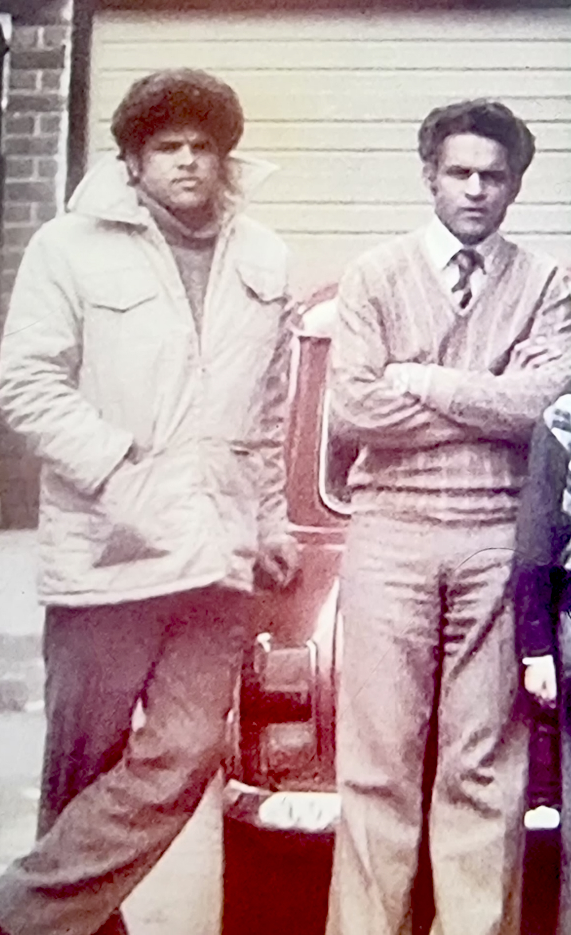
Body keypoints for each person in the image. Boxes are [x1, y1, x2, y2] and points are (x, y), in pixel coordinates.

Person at [0, 69, 298, 935]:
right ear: (132, 157)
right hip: (107, 550)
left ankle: (6, 920)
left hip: (218, 553)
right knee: (83, 772)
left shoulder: (264, 256)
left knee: (187, 753)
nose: (188, 163)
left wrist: (268, 518)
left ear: (224, 156)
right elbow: (27, 386)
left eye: (203, 147)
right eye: (168, 148)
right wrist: (123, 470)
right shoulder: (67, 247)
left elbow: (267, 412)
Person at [325, 98, 571, 935]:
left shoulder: (547, 282)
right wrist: (490, 400)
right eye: (459, 173)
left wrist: (423, 381)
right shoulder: (373, 275)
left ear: (515, 187)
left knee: (483, 768)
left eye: (494, 177)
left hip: (496, 536)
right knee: (376, 767)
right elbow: (354, 407)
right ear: (430, 176)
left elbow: (543, 403)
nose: (476, 189)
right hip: (389, 530)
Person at [512, 389, 571, 934]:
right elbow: (536, 537)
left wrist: (537, 646)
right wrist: (538, 644)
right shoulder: (562, 417)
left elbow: (536, 538)